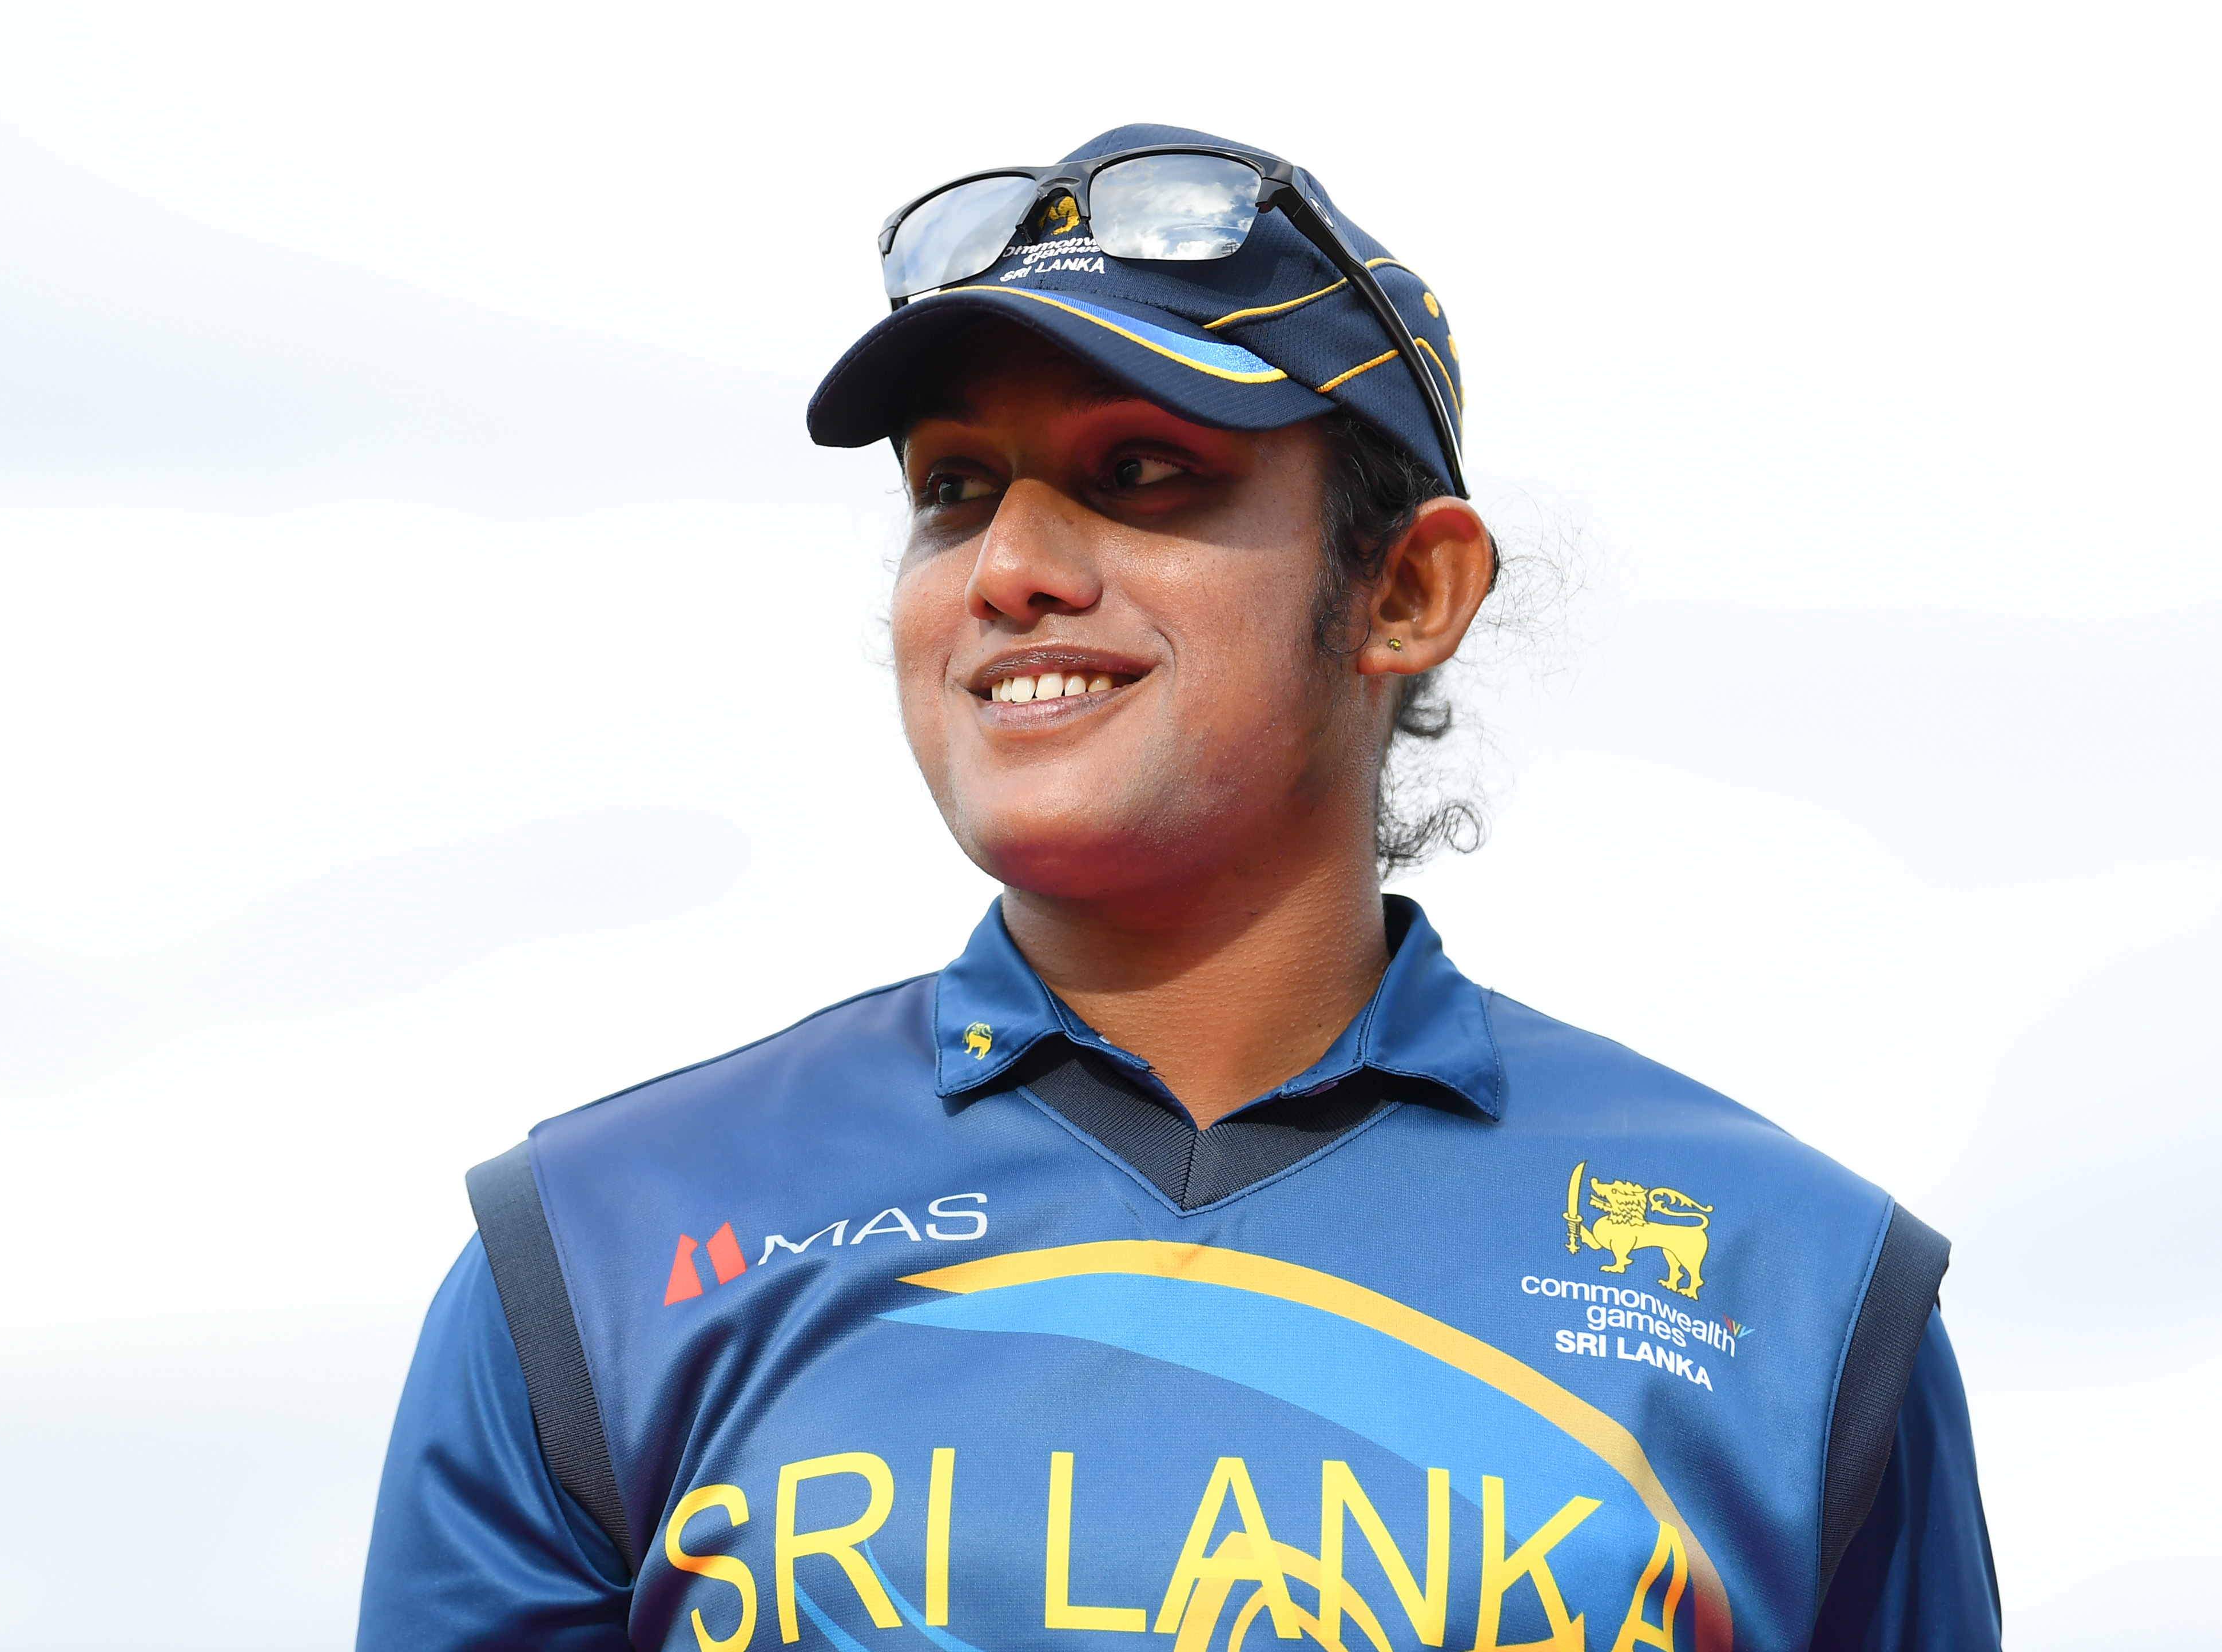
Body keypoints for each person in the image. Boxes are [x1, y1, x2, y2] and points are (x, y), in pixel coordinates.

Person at [357, 125, 2000, 1652]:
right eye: (951, 488)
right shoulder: (587, 1252)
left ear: (1410, 587)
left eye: (1143, 473)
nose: (1009, 568)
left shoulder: (1800, 1284)